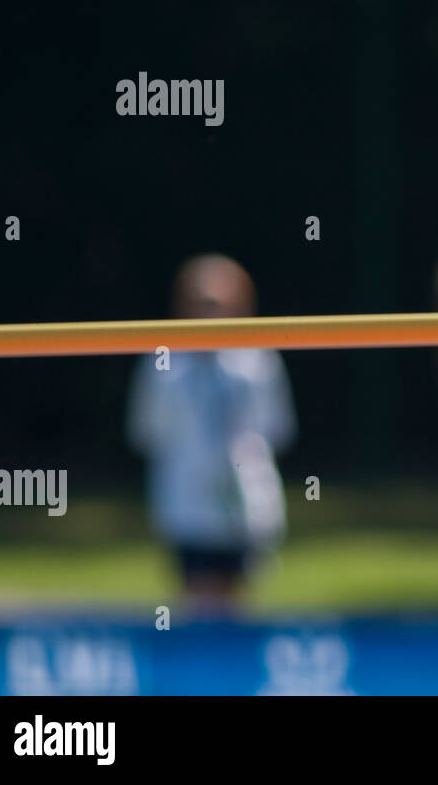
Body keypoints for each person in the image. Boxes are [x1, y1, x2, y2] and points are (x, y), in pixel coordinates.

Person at [126, 254, 297, 610]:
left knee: (238, 611)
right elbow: (149, 432)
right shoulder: (163, 364)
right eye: (201, 304)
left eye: (219, 304)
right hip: (188, 508)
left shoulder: (258, 361)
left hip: (245, 507)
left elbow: (275, 430)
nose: (210, 314)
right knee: (198, 606)